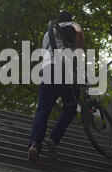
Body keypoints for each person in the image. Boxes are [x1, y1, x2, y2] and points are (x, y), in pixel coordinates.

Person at [28, 11, 84, 161]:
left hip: (47, 70)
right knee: (71, 107)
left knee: (43, 109)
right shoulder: (73, 26)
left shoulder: (47, 34)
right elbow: (79, 34)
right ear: (69, 20)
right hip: (66, 72)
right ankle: (54, 138)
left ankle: (34, 144)